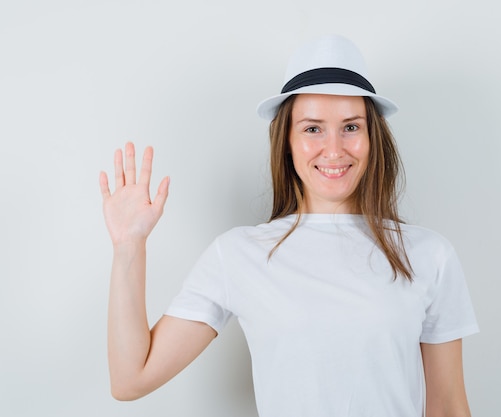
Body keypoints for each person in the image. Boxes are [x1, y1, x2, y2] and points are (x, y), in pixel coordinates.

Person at [99, 34, 479, 417]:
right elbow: (132, 380)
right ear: (287, 142)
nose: (334, 149)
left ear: (372, 137)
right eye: (313, 128)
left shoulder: (429, 255)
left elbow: (447, 406)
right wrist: (129, 246)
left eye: (351, 127)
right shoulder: (238, 254)